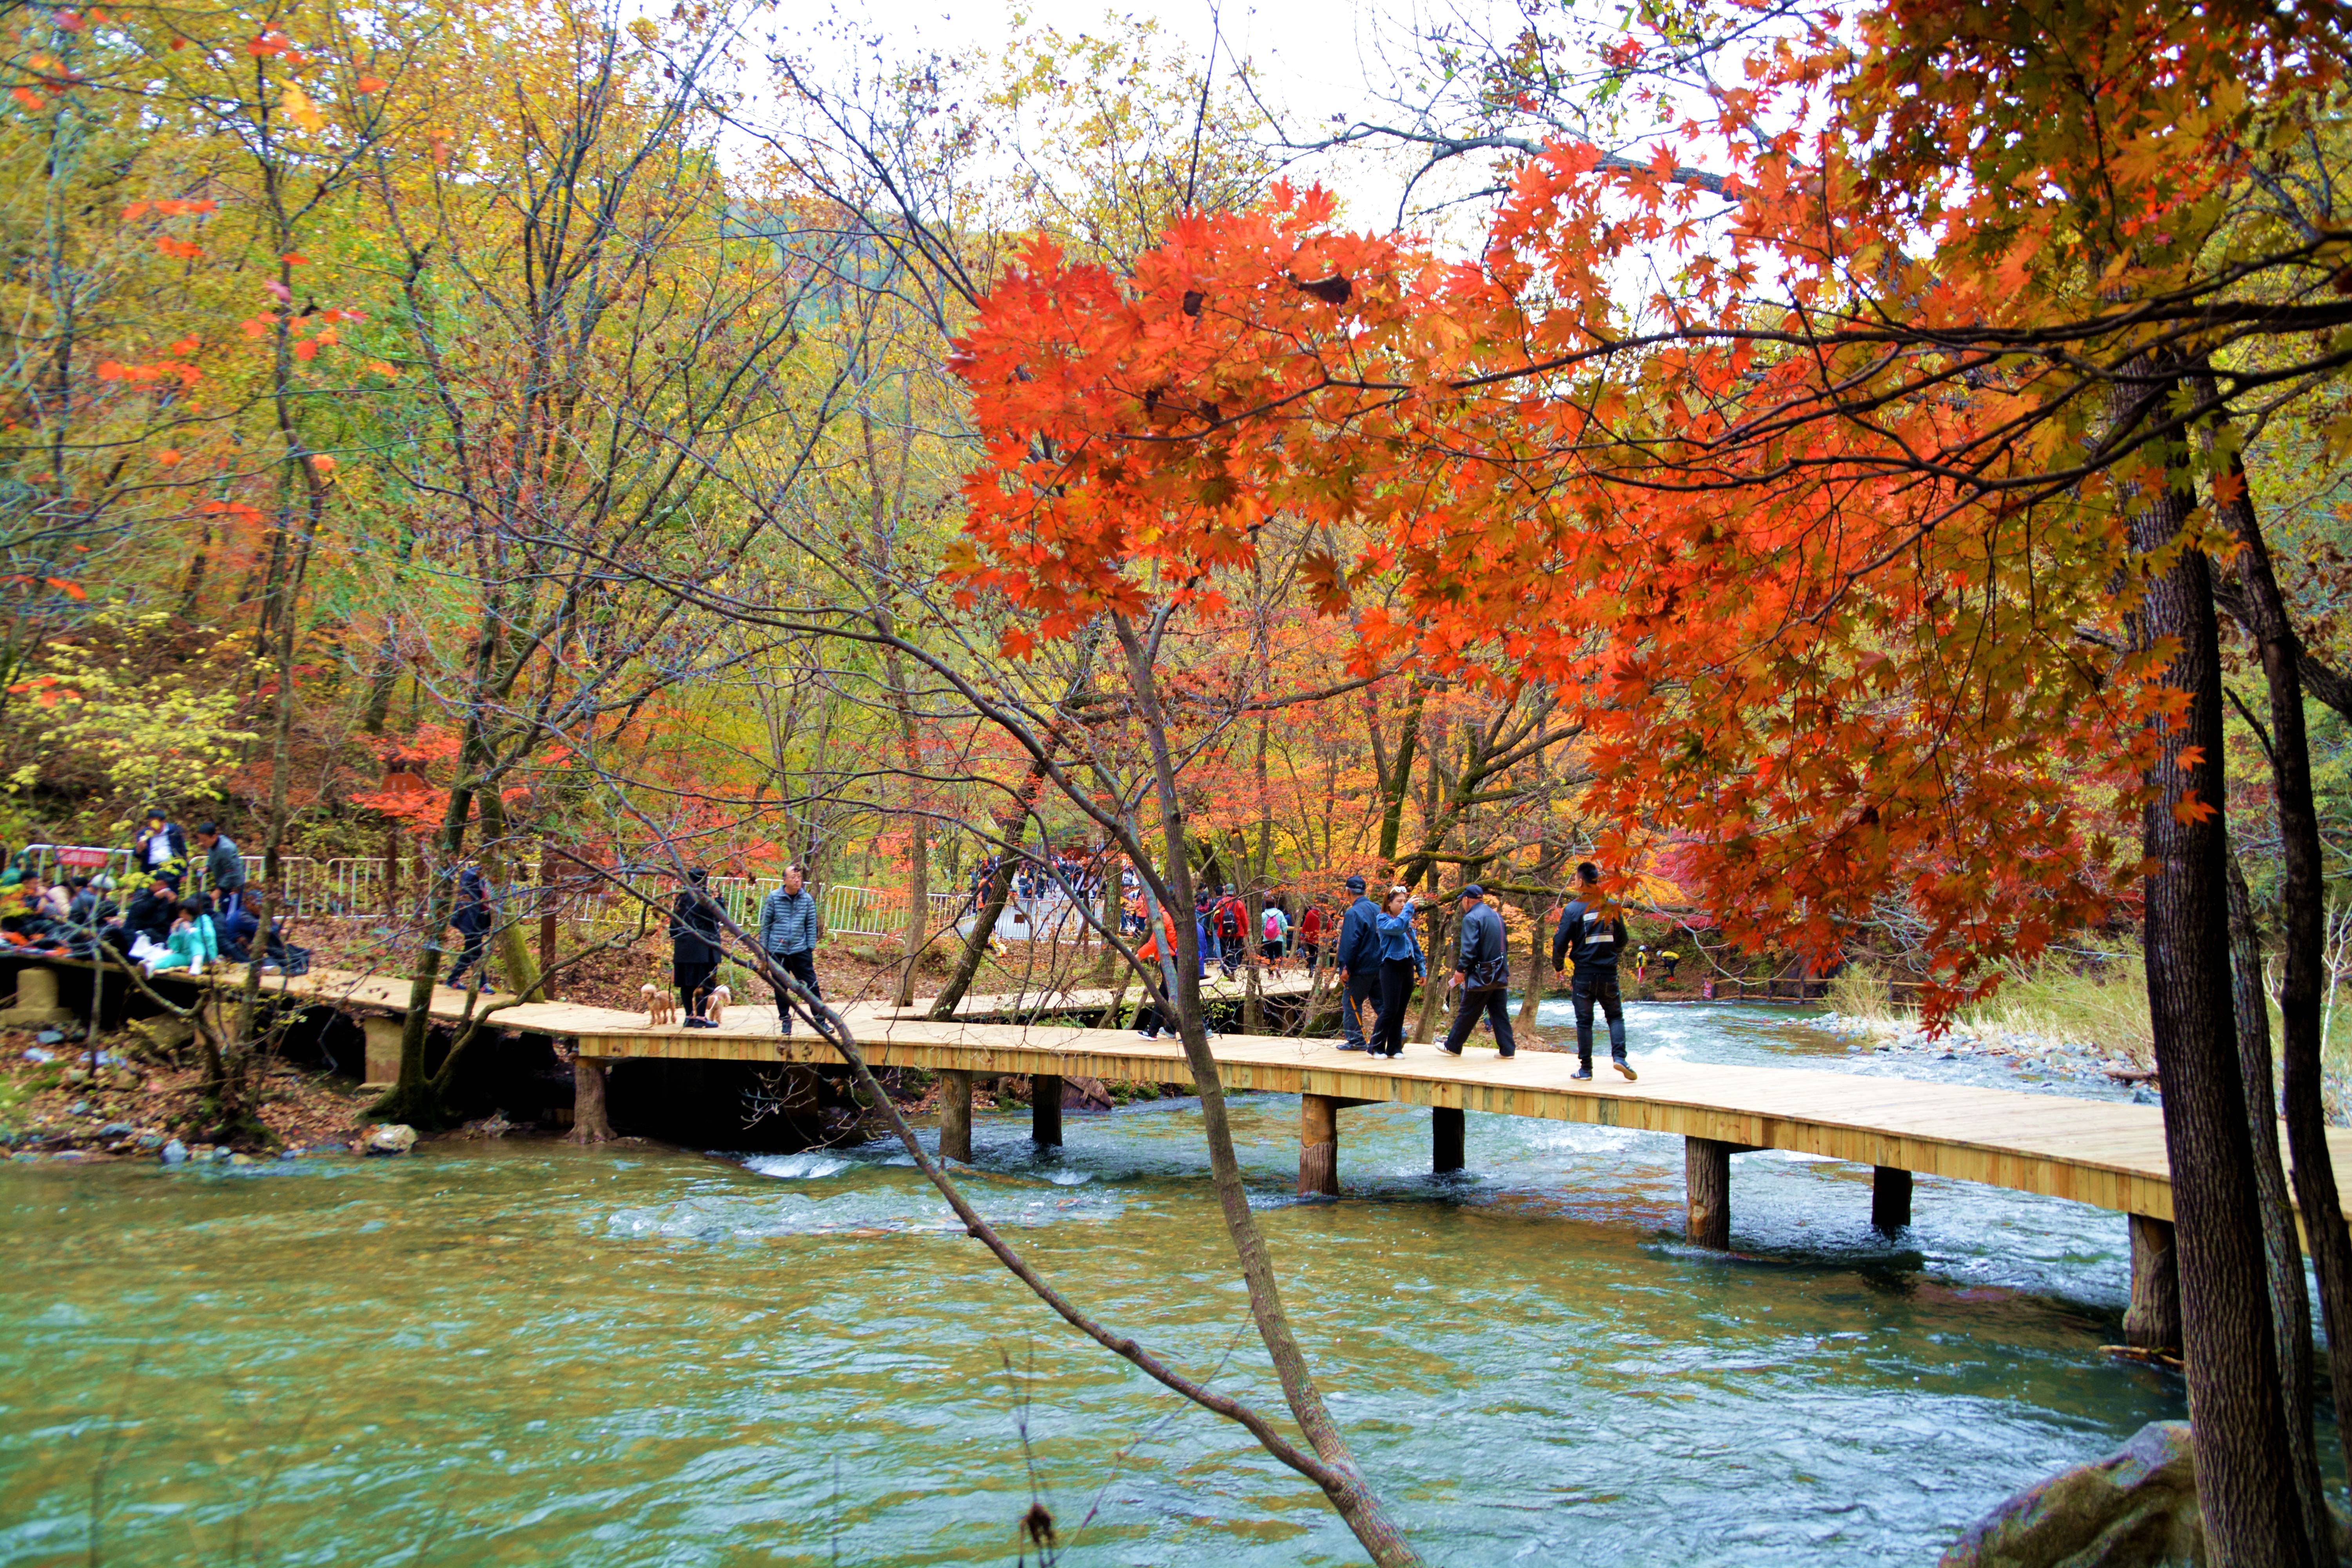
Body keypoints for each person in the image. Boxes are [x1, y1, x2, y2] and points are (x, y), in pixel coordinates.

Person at [1553, 861, 1636, 1081]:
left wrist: (1558, 966)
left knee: (1584, 1021)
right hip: (1608, 972)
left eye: (1575, 879)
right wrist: (1612, 954)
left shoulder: (1572, 910)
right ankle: (1620, 1058)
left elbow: (1560, 942)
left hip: (1584, 975)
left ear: (1581, 882)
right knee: (1615, 1016)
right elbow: (1623, 939)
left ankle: (1586, 1070)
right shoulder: (1612, 905)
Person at [1441, 883, 1517, 1058]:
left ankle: (1453, 1046)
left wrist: (1461, 969)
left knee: (1467, 1010)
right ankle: (1508, 1050)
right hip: (1499, 972)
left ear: (1467, 900)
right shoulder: (1497, 916)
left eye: (1463, 900)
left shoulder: (1471, 918)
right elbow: (1504, 944)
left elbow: (1470, 949)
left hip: (1481, 974)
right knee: (1499, 1012)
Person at [757, 864, 821, 1034]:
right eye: (793, 877)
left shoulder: (807, 899)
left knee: (812, 985)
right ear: (784, 880)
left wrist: (810, 947)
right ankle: (785, 1020)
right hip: (777, 950)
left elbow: (811, 925)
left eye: (799, 877)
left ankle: (821, 1019)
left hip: (800, 950)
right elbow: (766, 924)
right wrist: (764, 951)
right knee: (781, 987)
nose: (797, 880)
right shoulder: (774, 898)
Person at [1370, 886, 1425, 1058]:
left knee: (1401, 1009)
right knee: (1390, 1009)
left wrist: (1421, 970)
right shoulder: (1383, 920)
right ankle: (1376, 1047)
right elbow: (1397, 928)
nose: (1403, 905)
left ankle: (1394, 1048)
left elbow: (1415, 946)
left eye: (1404, 901)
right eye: (1399, 902)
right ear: (1389, 903)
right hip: (1391, 967)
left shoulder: (1405, 920)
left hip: (1407, 966)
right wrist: (1409, 908)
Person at [1333, 875, 1383, 1051]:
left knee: (1351, 1002)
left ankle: (1356, 1041)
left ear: (1347, 892)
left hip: (1361, 967)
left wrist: (1346, 967)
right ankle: (1396, 1034)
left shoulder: (1353, 913)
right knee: (1382, 1003)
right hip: (1380, 965)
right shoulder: (1378, 909)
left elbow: (1350, 943)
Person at [669, 868, 724, 1027]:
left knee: (686, 984)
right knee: (704, 983)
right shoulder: (704, 899)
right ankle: (700, 1018)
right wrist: (719, 900)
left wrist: (681, 939)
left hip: (683, 949)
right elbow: (720, 916)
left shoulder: (681, 899)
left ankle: (689, 1017)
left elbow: (673, 928)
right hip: (704, 950)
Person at [1132, 902, 1185, 1039]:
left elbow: (1155, 942)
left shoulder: (1162, 917)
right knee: (1165, 997)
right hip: (1178, 960)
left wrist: (1138, 956)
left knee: (1173, 997)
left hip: (1170, 962)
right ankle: (1161, 1030)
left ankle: (1202, 1028)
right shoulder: (1175, 915)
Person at [444, 864, 494, 989]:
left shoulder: (489, 879)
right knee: (474, 950)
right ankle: (482, 984)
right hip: (471, 919)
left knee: (473, 951)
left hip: (482, 918)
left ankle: (455, 980)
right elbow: (468, 892)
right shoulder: (471, 876)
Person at [146, 897, 219, 975]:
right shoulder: (182, 924)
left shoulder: (204, 919)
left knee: (194, 940)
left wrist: (190, 930)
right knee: (171, 958)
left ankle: (197, 966)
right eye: (181, 913)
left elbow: (209, 936)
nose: (182, 916)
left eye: (185, 913)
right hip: (186, 957)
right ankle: (150, 966)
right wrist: (175, 932)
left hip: (205, 957)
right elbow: (175, 948)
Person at [196, 822, 245, 921]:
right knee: (224, 913)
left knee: (230, 917)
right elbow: (214, 859)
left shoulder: (226, 849)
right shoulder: (212, 846)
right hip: (223, 885)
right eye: (200, 840)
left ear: (214, 837)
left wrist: (219, 890)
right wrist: (206, 868)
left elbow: (233, 872)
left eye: (204, 840)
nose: (202, 843)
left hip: (233, 887)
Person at [134, 809, 187, 875]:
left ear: (163, 822)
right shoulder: (143, 834)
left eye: (155, 822)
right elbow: (137, 855)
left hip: (172, 866)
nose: (152, 826)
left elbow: (183, 850)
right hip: (151, 868)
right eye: (150, 822)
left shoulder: (175, 831)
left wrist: (184, 872)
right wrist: (139, 849)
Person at [1260, 896, 1290, 973]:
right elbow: (1284, 925)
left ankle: (1270, 973)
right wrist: (1284, 932)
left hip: (1267, 938)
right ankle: (1277, 968)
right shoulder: (1280, 913)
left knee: (1269, 956)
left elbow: (1262, 927)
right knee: (1278, 955)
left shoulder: (1263, 915)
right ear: (1275, 904)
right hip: (1278, 938)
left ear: (1266, 905)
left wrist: (1262, 935)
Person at [1298, 899, 1327, 973]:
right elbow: (1329, 925)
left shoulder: (1309, 914)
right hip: (1321, 937)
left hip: (1310, 937)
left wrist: (1303, 936)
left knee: (1312, 953)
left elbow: (1305, 926)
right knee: (1319, 953)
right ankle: (1316, 967)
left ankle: (1311, 968)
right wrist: (1326, 933)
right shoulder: (1323, 915)